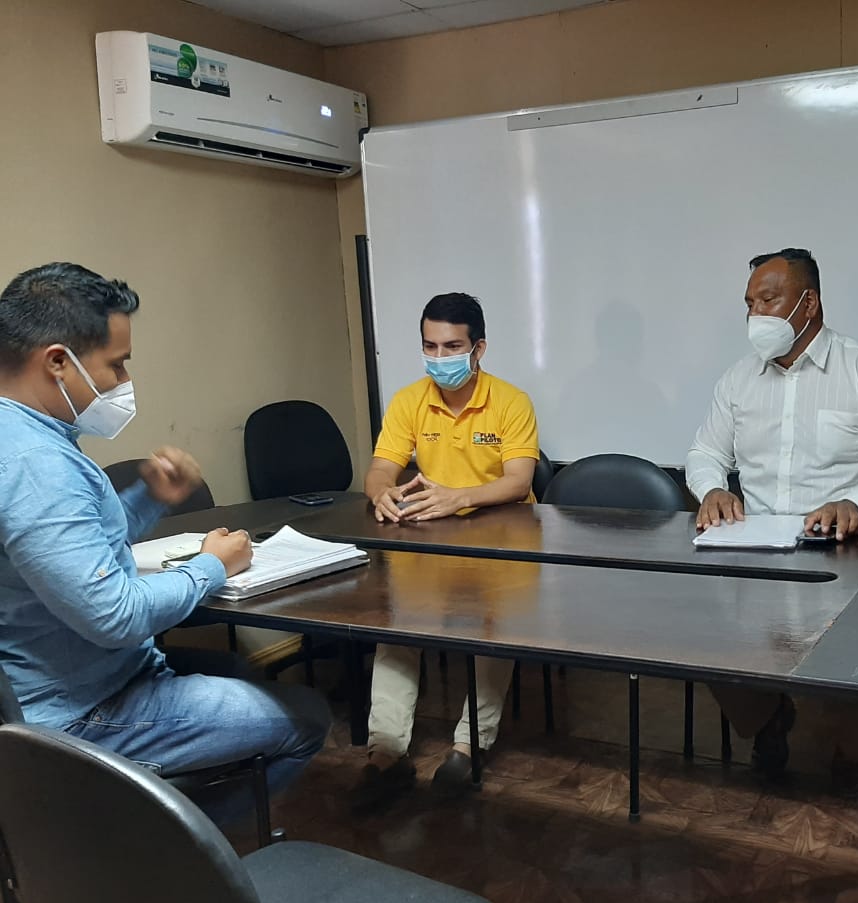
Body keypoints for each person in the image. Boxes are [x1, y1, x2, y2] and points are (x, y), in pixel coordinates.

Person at [0, 262, 331, 823]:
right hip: (83, 712)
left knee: (242, 674)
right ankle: (167, 854)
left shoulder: (28, 439)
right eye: (116, 363)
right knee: (306, 718)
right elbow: (114, 617)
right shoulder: (36, 465)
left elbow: (80, 552)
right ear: (57, 361)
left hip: (89, 679)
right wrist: (210, 566)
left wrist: (150, 498)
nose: (122, 381)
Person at [686, 248, 858, 775]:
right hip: (756, 549)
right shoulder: (738, 379)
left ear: (809, 303)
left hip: (846, 553)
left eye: (769, 300)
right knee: (706, 633)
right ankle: (767, 719)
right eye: (750, 304)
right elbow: (705, 452)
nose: (756, 314)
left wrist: (856, 501)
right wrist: (711, 489)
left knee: (850, 687)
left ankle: (855, 743)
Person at [353, 292, 539, 811]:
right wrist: (381, 493)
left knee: (493, 632)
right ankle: (386, 754)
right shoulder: (410, 400)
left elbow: (519, 480)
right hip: (431, 543)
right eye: (430, 346)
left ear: (478, 348)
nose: (439, 357)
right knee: (397, 631)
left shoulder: (511, 401)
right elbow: (380, 469)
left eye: (452, 346)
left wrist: (460, 497)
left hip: (503, 543)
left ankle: (468, 747)